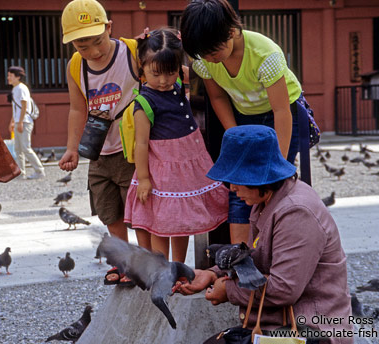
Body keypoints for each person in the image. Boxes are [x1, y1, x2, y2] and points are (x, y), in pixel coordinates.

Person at [178, 125, 353, 344]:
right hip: (281, 324)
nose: (231, 188)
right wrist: (213, 274)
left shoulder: (296, 211)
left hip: (311, 330)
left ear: (258, 177)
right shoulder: (267, 198)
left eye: (237, 179)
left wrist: (228, 290)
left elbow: (284, 288)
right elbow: (252, 259)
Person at [181, 0, 310, 245]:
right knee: (239, 185)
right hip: (243, 116)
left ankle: (275, 250)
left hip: (280, 114)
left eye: (214, 52)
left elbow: (282, 110)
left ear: (231, 32)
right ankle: (238, 258)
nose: (210, 59)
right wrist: (236, 137)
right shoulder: (203, 58)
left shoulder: (265, 55)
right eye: (204, 55)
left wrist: (278, 164)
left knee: (271, 187)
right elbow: (217, 96)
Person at [58, 0, 147, 284]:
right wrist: (72, 148)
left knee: (141, 211)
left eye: (98, 41)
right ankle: (123, 262)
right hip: (99, 150)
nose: (93, 51)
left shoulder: (133, 51)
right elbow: (77, 108)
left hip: (133, 148)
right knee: (109, 212)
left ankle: (146, 263)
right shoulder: (75, 66)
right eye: (83, 46)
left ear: (109, 27)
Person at [123, 28, 228, 262]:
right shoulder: (144, 102)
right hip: (163, 170)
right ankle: (161, 271)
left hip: (188, 166)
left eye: (170, 73)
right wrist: (144, 178)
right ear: (142, 67)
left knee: (182, 222)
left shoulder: (179, 84)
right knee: (161, 222)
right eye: (156, 73)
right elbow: (141, 145)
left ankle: (178, 268)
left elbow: (199, 67)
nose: (163, 80)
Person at [7, 65, 45, 180]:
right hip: (20, 121)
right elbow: (16, 108)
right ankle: (21, 173)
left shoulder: (21, 88)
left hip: (25, 122)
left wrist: (21, 122)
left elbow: (24, 105)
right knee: (18, 149)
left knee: (25, 147)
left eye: (10, 76)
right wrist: (12, 122)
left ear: (17, 77)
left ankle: (39, 171)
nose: (8, 78)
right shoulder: (15, 88)